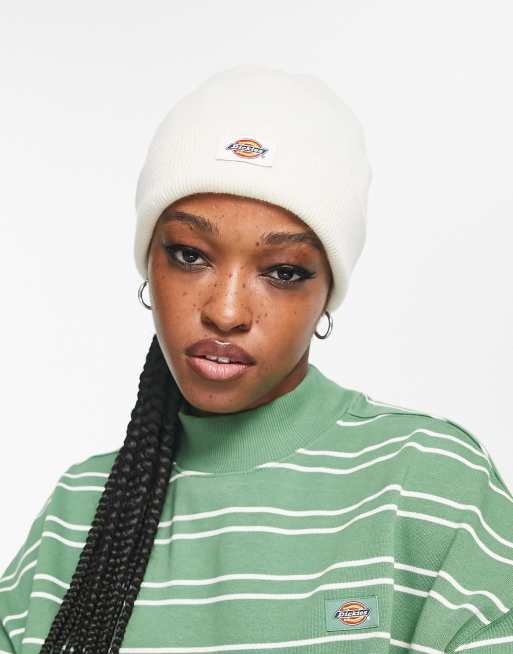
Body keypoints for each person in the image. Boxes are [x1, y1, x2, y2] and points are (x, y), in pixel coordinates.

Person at [1, 65, 512, 654]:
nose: (225, 311)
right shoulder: (78, 514)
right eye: (190, 255)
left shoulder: (427, 484)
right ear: (149, 264)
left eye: (283, 271)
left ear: (327, 291)